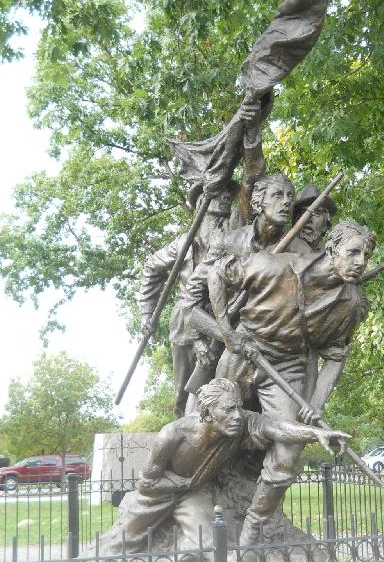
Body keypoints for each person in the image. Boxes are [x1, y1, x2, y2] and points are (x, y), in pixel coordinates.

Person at [207, 220, 376, 545]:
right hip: (245, 352)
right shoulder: (275, 264)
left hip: (288, 368)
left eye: (366, 256)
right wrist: (227, 333)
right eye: (353, 252)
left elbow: (336, 357)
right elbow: (217, 273)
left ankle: (252, 531)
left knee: (287, 454)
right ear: (331, 249)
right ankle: (198, 496)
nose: (360, 262)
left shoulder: (351, 303)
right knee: (216, 431)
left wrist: (316, 403)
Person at [96, 378, 350, 562]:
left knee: (210, 547)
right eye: (228, 410)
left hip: (194, 495)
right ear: (207, 413)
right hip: (158, 494)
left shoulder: (242, 424)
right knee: (115, 549)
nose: (236, 415)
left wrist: (317, 433)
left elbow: (279, 428)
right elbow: (148, 483)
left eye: (238, 408)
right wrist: (183, 482)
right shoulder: (173, 434)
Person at [183, 173, 311, 394]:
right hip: (226, 343)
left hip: (278, 353)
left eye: (290, 196)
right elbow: (191, 301)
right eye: (277, 195)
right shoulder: (227, 242)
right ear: (258, 202)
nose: (286, 201)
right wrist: (208, 339)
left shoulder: (302, 252)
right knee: (207, 416)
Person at [137, 182, 239, 417]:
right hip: (185, 324)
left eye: (228, 196)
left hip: (223, 319)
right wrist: (146, 313)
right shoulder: (184, 244)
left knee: (226, 387)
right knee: (184, 394)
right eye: (219, 193)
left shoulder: (233, 239)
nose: (226, 197)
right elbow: (152, 269)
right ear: (201, 202)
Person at [292, 184, 338, 253]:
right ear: (296, 219)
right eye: (304, 213)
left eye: (317, 213)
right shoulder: (282, 251)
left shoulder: (332, 257)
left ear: (326, 224)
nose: (308, 218)